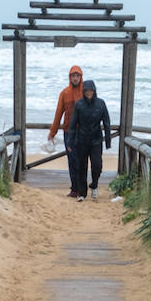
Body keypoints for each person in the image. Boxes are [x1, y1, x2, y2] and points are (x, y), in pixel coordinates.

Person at [67, 79, 111, 201]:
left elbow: (106, 122)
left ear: (94, 91)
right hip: (81, 140)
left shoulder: (101, 103)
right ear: (83, 91)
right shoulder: (79, 104)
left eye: (91, 90)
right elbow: (73, 124)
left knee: (97, 165)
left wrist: (108, 140)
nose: (89, 93)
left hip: (96, 140)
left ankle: (94, 185)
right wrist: (70, 141)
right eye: (86, 91)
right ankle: (82, 193)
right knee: (82, 167)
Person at [48, 65, 86, 198]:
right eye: (73, 76)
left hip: (83, 132)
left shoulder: (86, 92)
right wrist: (52, 132)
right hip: (69, 132)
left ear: (81, 77)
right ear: (69, 78)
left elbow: (93, 111)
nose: (75, 78)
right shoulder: (64, 93)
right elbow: (58, 113)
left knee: (82, 160)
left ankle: (82, 188)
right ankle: (75, 188)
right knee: (72, 160)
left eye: (77, 76)